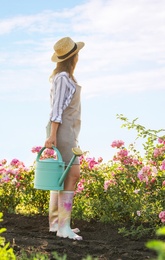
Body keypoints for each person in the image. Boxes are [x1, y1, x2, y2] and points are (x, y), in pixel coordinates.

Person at [44, 37, 85, 240]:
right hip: (62, 130)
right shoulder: (62, 78)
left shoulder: (66, 77)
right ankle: (63, 227)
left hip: (67, 130)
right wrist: (53, 135)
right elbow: (57, 109)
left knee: (61, 175)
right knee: (72, 174)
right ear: (73, 57)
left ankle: (56, 223)